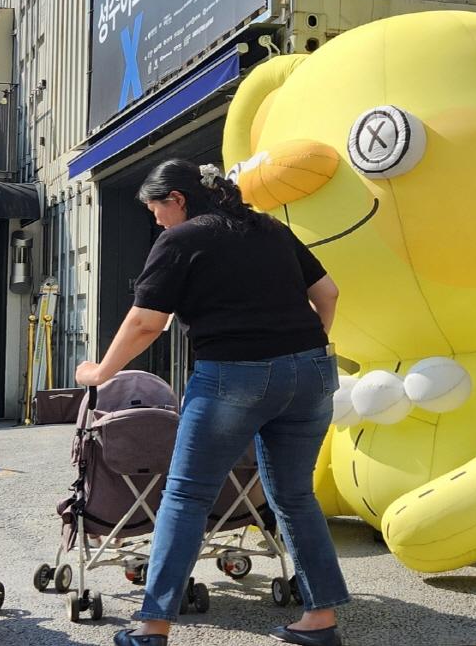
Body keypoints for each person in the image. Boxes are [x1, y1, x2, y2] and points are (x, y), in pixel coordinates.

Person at [75, 159, 349, 646]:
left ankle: (152, 627)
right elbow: (328, 293)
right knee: (294, 496)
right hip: (310, 372)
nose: (155, 219)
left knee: (186, 496)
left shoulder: (181, 240)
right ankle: (320, 619)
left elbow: (146, 323)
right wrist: (302, 352)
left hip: (233, 375)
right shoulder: (269, 228)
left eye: (156, 208)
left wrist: (100, 372)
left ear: (177, 199)